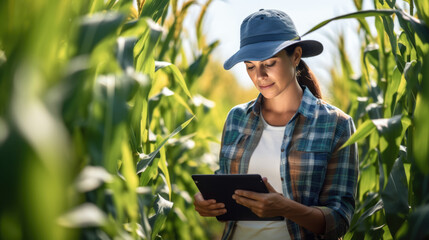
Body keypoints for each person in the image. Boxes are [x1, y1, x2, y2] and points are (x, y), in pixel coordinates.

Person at [193, 9, 358, 240]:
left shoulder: (336, 124)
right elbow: (224, 182)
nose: (259, 76)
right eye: (250, 66)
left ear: (296, 56)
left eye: (269, 63)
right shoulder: (236, 118)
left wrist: (285, 208)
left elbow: (340, 220)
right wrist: (204, 201)